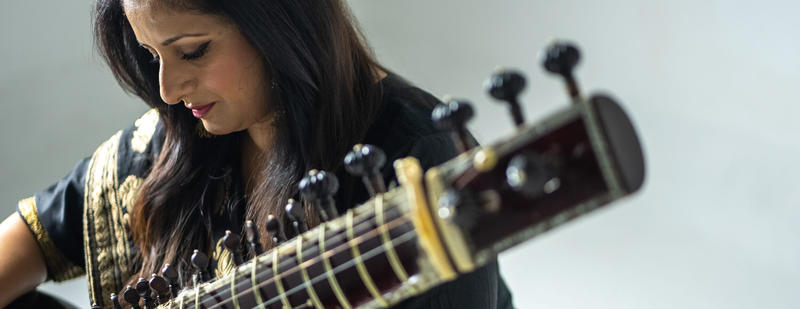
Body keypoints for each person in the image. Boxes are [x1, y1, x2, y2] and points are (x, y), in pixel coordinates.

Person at [0, 0, 514, 308]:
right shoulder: (179, 142)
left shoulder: (411, 153)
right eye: (151, 54)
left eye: (192, 51)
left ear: (278, 24)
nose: (168, 89)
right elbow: (30, 238)